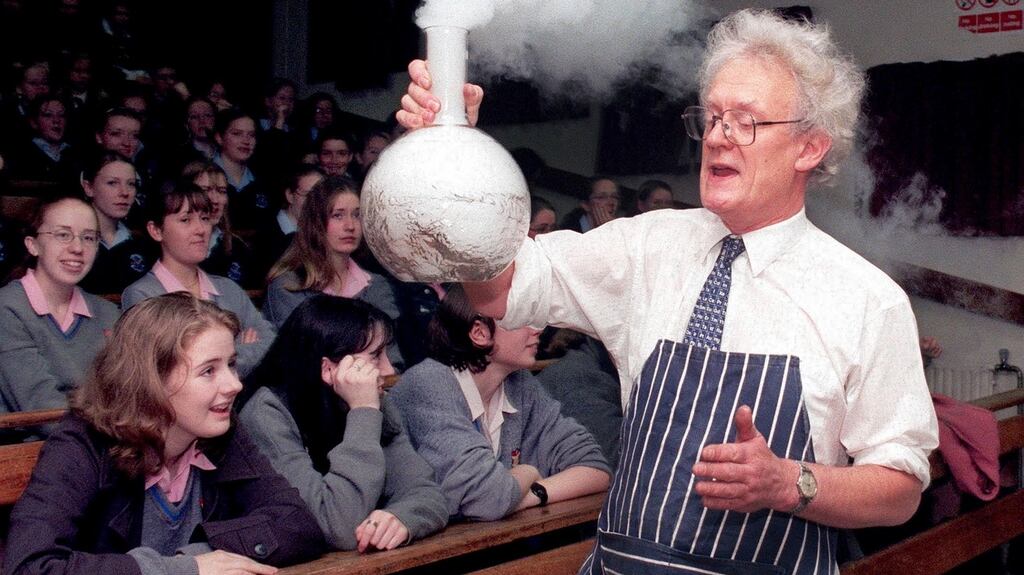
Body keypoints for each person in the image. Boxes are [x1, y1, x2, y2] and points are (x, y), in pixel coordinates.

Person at [399, 9, 939, 573]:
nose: (717, 138)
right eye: (712, 117)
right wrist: (455, 154)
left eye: (746, 121)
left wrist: (789, 483)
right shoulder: (646, 246)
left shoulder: (867, 300)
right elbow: (497, 294)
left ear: (809, 148)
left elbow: (900, 488)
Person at [2, 293, 326, 574]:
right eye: (209, 370)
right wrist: (182, 570)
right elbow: (29, 565)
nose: (234, 384)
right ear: (153, 380)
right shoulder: (83, 442)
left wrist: (197, 557)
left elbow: (298, 524)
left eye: (231, 364)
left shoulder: (220, 432)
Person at [239, 295, 448, 551]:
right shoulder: (266, 414)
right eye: (375, 356)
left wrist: (403, 518)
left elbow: (427, 492)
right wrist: (362, 411)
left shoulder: (373, 399)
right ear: (328, 369)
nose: (388, 369)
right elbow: (336, 527)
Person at [389, 286, 610, 521]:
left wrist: (530, 494)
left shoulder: (519, 384)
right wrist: (529, 471)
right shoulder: (428, 384)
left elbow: (595, 468)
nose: (538, 329)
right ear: (479, 334)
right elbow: (488, 499)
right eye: (523, 319)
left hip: (486, 545)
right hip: (410, 550)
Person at [122, 182, 275, 378]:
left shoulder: (228, 288)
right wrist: (239, 349)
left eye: (204, 218)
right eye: (185, 220)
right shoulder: (142, 294)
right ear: (156, 230)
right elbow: (172, 368)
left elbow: (271, 345)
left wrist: (210, 363)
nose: (201, 229)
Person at [0, 197, 119, 438]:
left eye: (88, 238)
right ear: (32, 245)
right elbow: (40, 406)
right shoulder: (7, 308)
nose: (77, 248)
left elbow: (125, 393)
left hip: (106, 444)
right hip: (28, 453)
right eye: (63, 235)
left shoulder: (108, 314)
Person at [263, 175, 400, 338]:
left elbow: (392, 356)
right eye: (338, 215)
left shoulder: (377, 286)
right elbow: (296, 356)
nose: (350, 226)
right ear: (316, 222)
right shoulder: (288, 287)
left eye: (357, 215)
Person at [77, 151, 155, 295]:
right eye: (112, 183)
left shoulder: (144, 244)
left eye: (131, 184)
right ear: (88, 187)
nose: (124, 192)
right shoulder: (72, 241)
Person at [186, 161, 259, 288]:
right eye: (205, 190)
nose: (215, 200)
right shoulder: (173, 245)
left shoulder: (239, 248)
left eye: (221, 191)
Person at [213, 108, 273, 229]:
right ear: (219, 138)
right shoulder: (203, 176)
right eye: (237, 133)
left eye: (251, 135)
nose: (246, 141)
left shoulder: (263, 180)